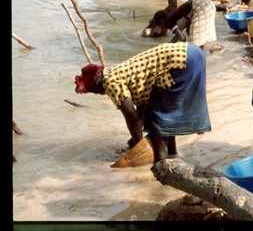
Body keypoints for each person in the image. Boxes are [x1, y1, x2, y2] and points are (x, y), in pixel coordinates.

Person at [73, 42, 211, 163]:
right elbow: (142, 111)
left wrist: (138, 147)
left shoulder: (110, 82)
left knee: (158, 120)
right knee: (161, 114)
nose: (99, 93)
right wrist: (134, 138)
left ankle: (161, 166)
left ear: (97, 83)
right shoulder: (116, 72)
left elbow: (131, 116)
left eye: (95, 91)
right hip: (193, 53)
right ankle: (172, 154)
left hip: (183, 61)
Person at [142, 0, 217, 49]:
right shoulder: (174, 16)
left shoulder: (169, 21)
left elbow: (182, 38)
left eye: (160, 25)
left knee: (194, 44)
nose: (161, 28)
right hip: (208, 4)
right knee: (200, 38)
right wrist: (168, 46)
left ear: (162, 21)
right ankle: (201, 57)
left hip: (199, 7)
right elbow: (177, 36)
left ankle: (196, 61)